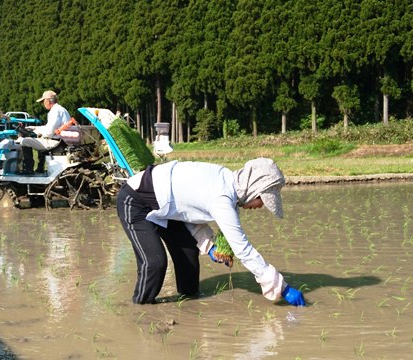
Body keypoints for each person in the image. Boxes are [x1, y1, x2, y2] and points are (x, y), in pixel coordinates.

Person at [116, 157, 305, 306]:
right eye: (263, 200)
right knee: (155, 262)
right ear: (254, 190)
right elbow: (243, 250)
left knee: (189, 253)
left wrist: (209, 246)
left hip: (166, 207)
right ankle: (140, 308)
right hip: (136, 201)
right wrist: (282, 288)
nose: (261, 206)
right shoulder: (222, 197)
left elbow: (186, 210)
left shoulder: (226, 180)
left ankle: (188, 303)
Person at [17, 90, 70, 174]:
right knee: (39, 139)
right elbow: (50, 127)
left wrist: (37, 132)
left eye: (43, 101)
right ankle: (40, 168)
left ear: (48, 101)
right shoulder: (61, 109)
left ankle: (28, 169)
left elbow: (49, 132)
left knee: (23, 141)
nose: (43, 104)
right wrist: (35, 128)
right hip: (61, 141)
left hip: (55, 142)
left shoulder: (55, 111)